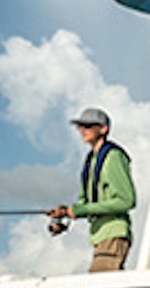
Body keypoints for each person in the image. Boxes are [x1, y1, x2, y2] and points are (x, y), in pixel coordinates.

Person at [47, 107, 136, 272]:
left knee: (98, 283)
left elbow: (127, 200)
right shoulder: (91, 160)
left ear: (103, 129)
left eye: (87, 126)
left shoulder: (113, 157)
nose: (82, 130)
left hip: (113, 234)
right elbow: (85, 203)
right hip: (100, 237)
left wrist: (83, 209)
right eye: (80, 126)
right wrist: (65, 212)